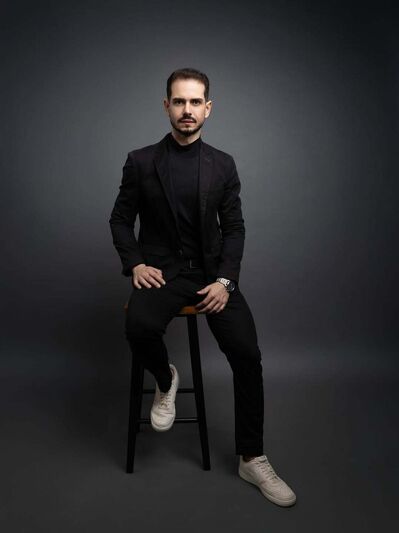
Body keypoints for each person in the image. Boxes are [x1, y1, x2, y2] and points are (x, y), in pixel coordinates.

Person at [109, 67, 296, 506]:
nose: (187, 110)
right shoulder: (140, 161)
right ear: (166, 106)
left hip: (212, 277)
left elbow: (234, 228)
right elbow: (120, 219)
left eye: (195, 102)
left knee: (247, 355)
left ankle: (252, 457)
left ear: (208, 108)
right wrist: (135, 263)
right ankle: (166, 378)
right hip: (163, 274)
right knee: (138, 327)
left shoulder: (223, 164)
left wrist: (225, 281)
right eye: (179, 101)